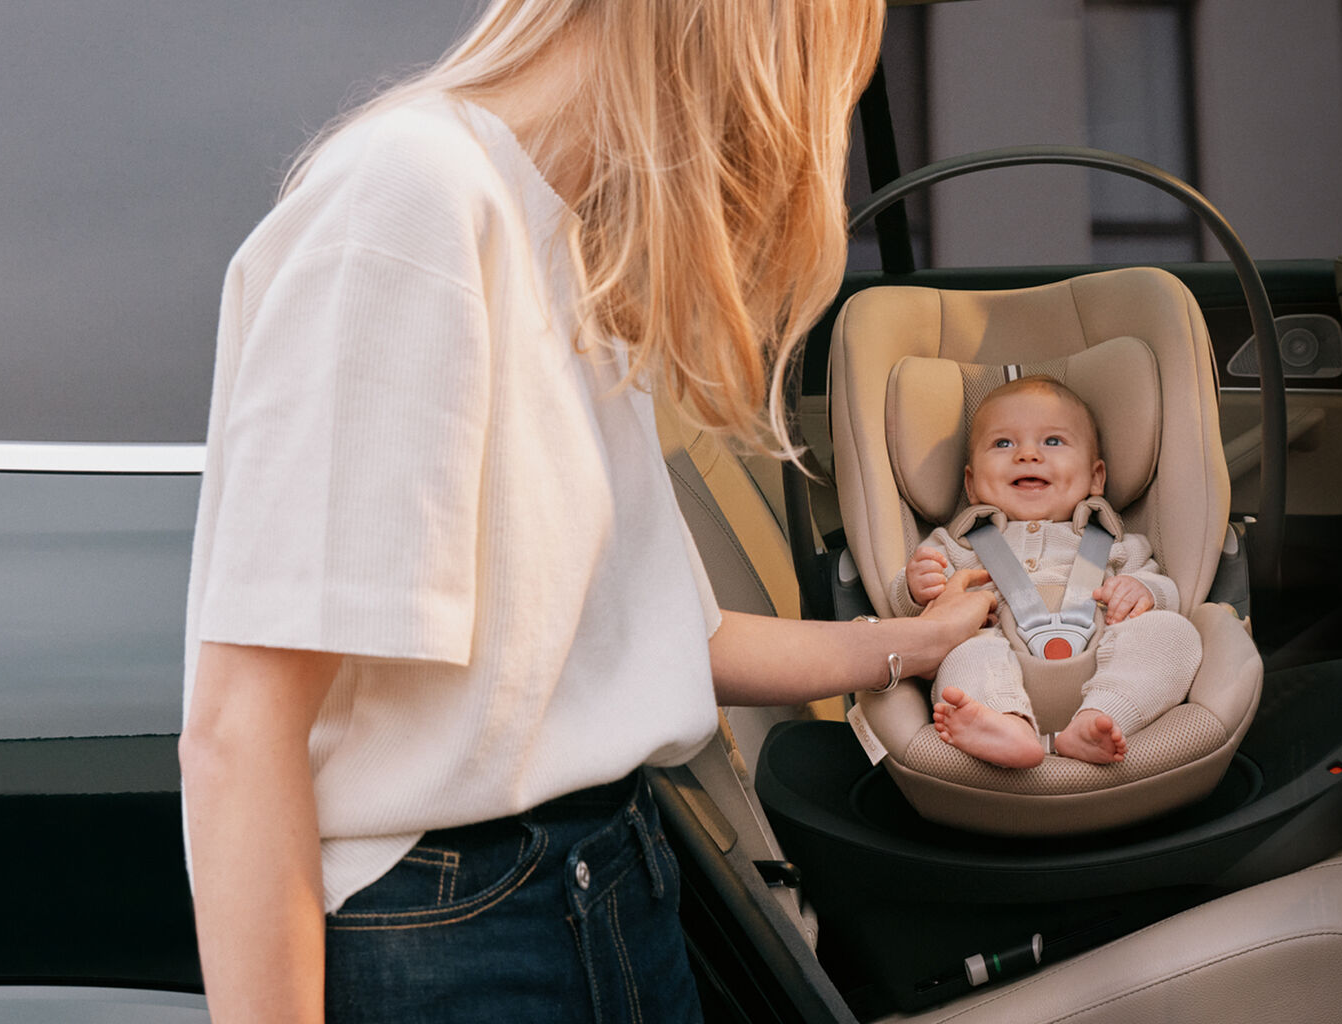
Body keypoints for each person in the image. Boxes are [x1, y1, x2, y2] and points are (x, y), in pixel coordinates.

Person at [174, 2, 996, 1021]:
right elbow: (237, 730)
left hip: (612, 881)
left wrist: (912, 643)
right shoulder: (416, 196)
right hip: (457, 930)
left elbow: (662, 641)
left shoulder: (568, 241)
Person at [890, 376, 1204, 769]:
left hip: (1104, 661)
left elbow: (1165, 593)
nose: (1026, 454)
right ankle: (1005, 724)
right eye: (1003, 444)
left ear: (1095, 478)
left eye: (1052, 441)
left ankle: (1099, 720)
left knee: (1175, 633)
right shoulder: (959, 544)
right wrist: (916, 588)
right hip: (998, 661)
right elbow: (911, 621)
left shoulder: (1116, 543)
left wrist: (1144, 590)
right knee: (964, 650)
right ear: (971, 484)